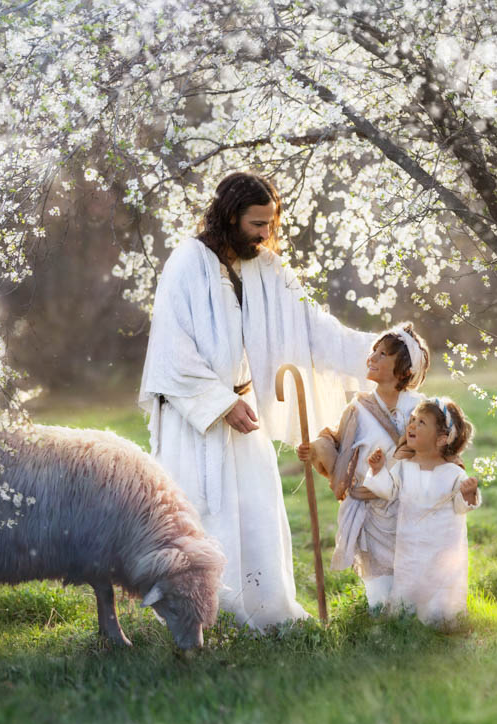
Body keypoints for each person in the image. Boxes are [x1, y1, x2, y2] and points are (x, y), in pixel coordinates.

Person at [138, 172, 375, 630]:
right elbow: (171, 349)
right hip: (198, 419)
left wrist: (385, 351)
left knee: (257, 514)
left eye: (271, 223)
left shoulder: (265, 266)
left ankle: (263, 611)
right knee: (204, 514)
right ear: (229, 217)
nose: (266, 234)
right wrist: (220, 404)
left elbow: (314, 327)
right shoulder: (188, 262)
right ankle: (204, 617)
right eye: (256, 223)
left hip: (243, 415)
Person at [296, 323, 430, 609]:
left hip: (409, 506)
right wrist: (315, 448)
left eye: (383, 355)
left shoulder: (418, 408)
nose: (372, 358)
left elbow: (437, 444)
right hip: (370, 511)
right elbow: (337, 441)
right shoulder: (358, 409)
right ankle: (380, 621)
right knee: (380, 590)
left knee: (412, 583)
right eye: (374, 352)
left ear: (404, 371)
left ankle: (415, 622)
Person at [363, 398, 480, 626]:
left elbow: (461, 506)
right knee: (410, 578)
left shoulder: (453, 473)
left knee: (441, 582)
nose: (412, 426)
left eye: (421, 422)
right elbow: (388, 490)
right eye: (413, 420)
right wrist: (377, 471)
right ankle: (407, 617)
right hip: (411, 545)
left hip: (442, 547)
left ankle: (443, 618)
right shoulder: (404, 468)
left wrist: (468, 494)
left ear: (441, 439)